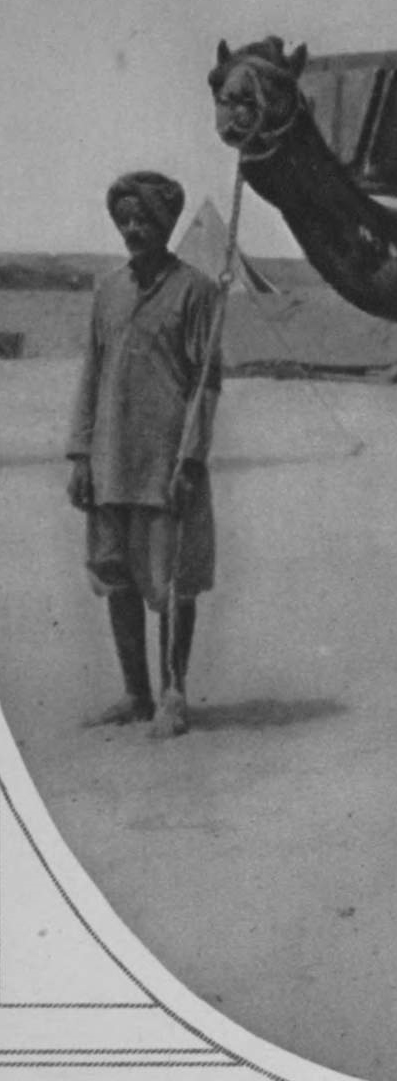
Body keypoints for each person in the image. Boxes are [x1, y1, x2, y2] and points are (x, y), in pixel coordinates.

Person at [67, 171, 221, 740]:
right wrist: (80, 454)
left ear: (165, 225)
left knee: (173, 579)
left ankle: (173, 693)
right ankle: (136, 694)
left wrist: (192, 459)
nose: (133, 229)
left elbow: (207, 383)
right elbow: (92, 372)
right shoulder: (108, 291)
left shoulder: (197, 291)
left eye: (144, 220)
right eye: (125, 220)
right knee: (116, 576)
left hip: (167, 462)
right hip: (110, 458)